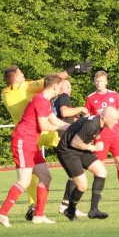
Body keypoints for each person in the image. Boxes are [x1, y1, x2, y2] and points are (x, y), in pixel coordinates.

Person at [1, 61, 91, 220]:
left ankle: (35, 208)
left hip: (33, 133)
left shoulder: (6, 93)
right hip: (32, 132)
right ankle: (68, 197)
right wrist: (72, 70)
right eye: (21, 74)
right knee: (70, 154)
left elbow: (50, 85)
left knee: (41, 176)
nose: (24, 75)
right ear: (15, 79)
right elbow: (51, 81)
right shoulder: (32, 91)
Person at [0, 74, 70, 227]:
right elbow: (44, 126)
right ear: (55, 86)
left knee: (45, 177)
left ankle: (39, 215)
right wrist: (67, 127)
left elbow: (54, 121)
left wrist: (73, 126)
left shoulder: (44, 100)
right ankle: (2, 213)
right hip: (22, 141)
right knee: (24, 180)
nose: (61, 89)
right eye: (60, 86)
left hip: (30, 143)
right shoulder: (40, 100)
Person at [56, 107, 119, 221]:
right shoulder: (91, 125)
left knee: (101, 171)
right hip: (68, 151)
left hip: (79, 149)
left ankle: (94, 210)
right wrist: (93, 147)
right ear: (104, 118)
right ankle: (70, 211)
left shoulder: (99, 123)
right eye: (114, 119)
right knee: (82, 185)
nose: (116, 122)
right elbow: (74, 142)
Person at [85, 70, 119, 199]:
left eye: (101, 81)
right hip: (100, 137)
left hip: (116, 135)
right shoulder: (90, 98)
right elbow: (88, 119)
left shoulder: (114, 95)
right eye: (97, 81)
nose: (98, 83)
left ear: (106, 82)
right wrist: (91, 136)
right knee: (100, 166)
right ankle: (98, 193)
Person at [52, 79, 90, 217]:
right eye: (68, 86)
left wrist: (74, 120)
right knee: (77, 175)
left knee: (74, 176)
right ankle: (68, 206)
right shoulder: (63, 97)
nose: (70, 89)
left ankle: (66, 204)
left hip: (60, 140)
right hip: (65, 142)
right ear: (61, 87)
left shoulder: (55, 100)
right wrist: (81, 108)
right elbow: (64, 111)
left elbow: (62, 115)